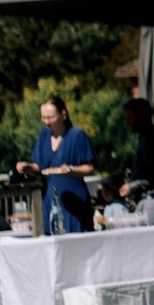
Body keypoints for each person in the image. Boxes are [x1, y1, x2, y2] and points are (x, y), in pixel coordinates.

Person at [17, 95, 96, 233]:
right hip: (50, 199)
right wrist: (28, 167)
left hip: (74, 200)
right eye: (43, 118)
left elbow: (90, 168)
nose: (46, 122)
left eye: (50, 118)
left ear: (63, 114)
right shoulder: (44, 136)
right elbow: (39, 167)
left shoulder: (77, 135)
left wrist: (72, 170)